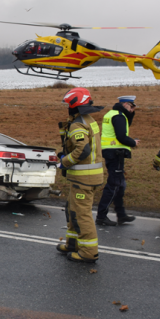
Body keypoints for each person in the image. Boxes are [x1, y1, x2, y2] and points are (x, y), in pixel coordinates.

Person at [56, 87, 105, 263]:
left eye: (68, 105)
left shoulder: (78, 124)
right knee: (72, 211)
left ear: (74, 106)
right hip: (84, 177)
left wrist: (64, 162)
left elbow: (82, 150)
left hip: (84, 178)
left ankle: (88, 252)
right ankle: (72, 244)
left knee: (81, 214)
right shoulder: (88, 120)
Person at [95, 96, 139, 226]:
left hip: (111, 152)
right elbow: (122, 136)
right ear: (125, 104)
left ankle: (121, 214)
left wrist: (131, 113)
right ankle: (101, 216)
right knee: (114, 185)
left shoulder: (114, 113)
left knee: (120, 185)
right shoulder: (118, 116)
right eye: (131, 106)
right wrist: (133, 142)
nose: (132, 109)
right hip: (115, 152)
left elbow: (125, 127)